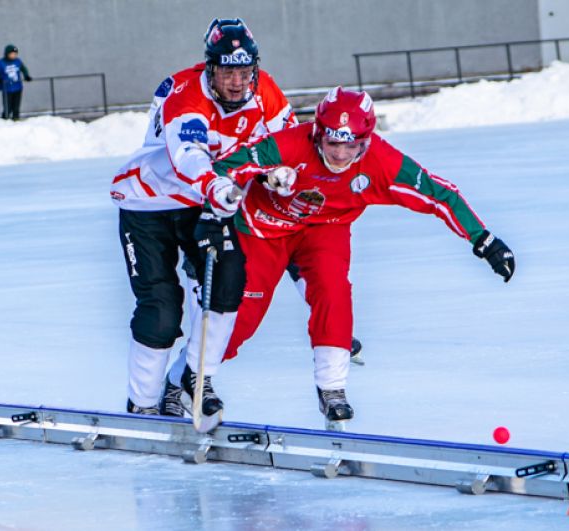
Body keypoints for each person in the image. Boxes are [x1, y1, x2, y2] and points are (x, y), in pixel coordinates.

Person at [191, 87, 515, 427]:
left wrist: (485, 240)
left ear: (367, 140)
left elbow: (439, 193)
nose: (342, 154)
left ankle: (332, 388)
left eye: (353, 145)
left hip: (325, 231)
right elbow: (225, 167)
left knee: (334, 294)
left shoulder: (382, 163)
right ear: (318, 133)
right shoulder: (289, 144)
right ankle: (192, 376)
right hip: (262, 229)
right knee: (243, 315)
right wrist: (248, 183)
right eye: (333, 144)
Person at [110, 18, 296, 417]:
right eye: (227, 71)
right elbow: (188, 157)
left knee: (227, 282)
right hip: (150, 202)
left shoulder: (265, 91)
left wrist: (285, 172)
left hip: (206, 200)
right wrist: (218, 187)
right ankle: (141, 407)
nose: (236, 82)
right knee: (161, 310)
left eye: (244, 71)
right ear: (210, 68)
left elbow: (288, 141)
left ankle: (194, 376)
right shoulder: (185, 93)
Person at [0, 44, 31, 120]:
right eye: (12, 54)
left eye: (15, 54)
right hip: (7, 88)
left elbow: (23, 69)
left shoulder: (18, 61)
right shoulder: (0, 63)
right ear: (7, 54)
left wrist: (26, 76)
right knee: (8, 106)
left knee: (16, 106)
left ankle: (16, 118)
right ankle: (5, 119)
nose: (14, 55)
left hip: (17, 87)